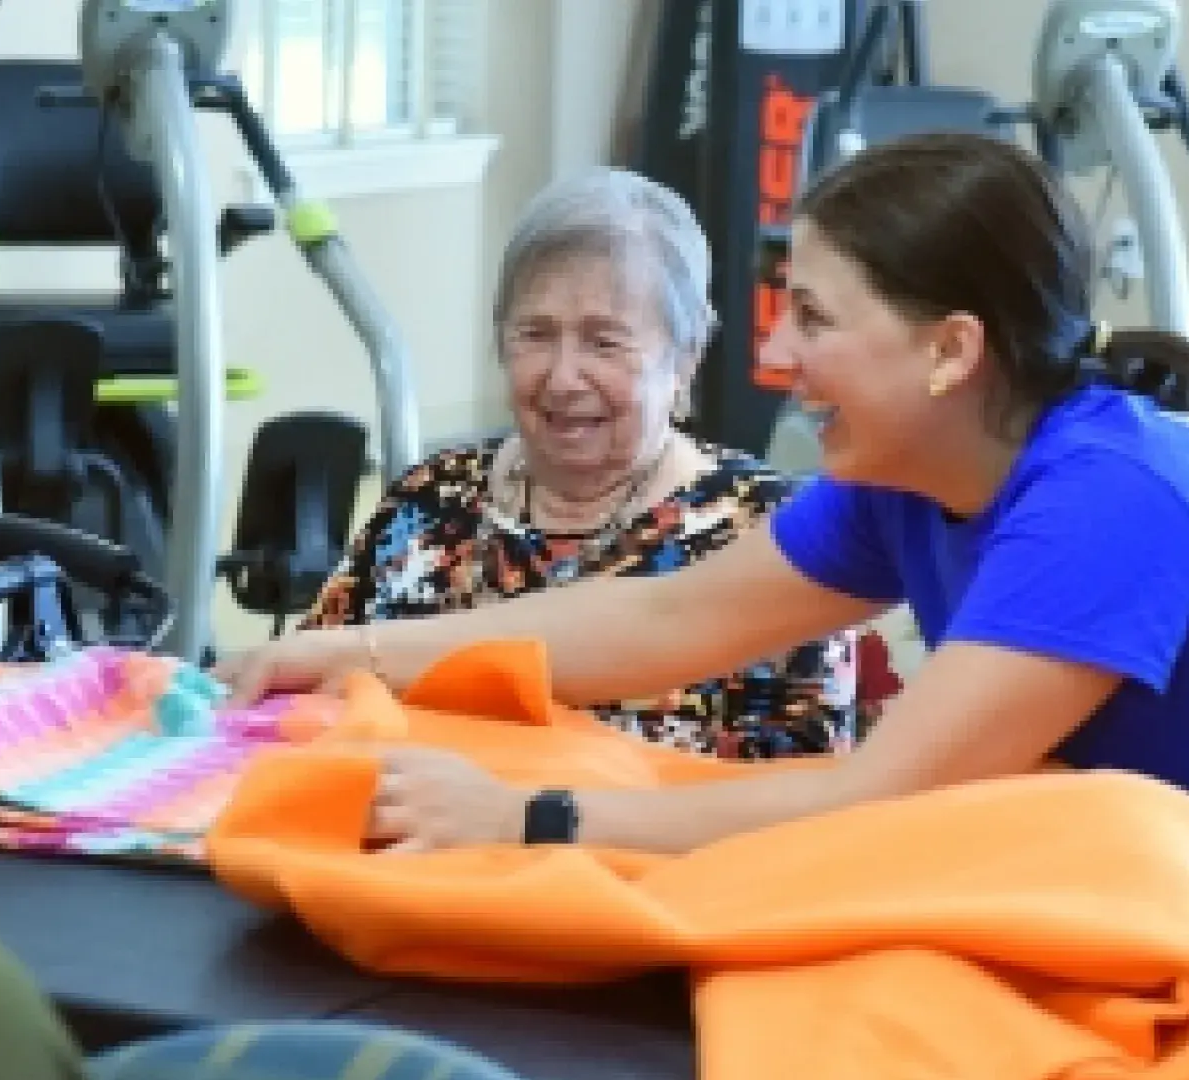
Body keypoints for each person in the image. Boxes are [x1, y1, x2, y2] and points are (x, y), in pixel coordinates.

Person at [218, 132, 1189, 915]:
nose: (781, 354)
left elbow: (875, 796)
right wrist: (337, 658)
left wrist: (529, 818)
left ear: (949, 351)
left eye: (813, 316)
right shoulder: (912, 474)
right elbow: (667, 617)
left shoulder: (1113, 503)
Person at [299, 166, 865, 759]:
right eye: (536, 335)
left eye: (604, 341)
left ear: (685, 359)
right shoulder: (429, 500)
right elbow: (307, 697)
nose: (563, 378)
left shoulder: (769, 531)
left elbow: (801, 780)